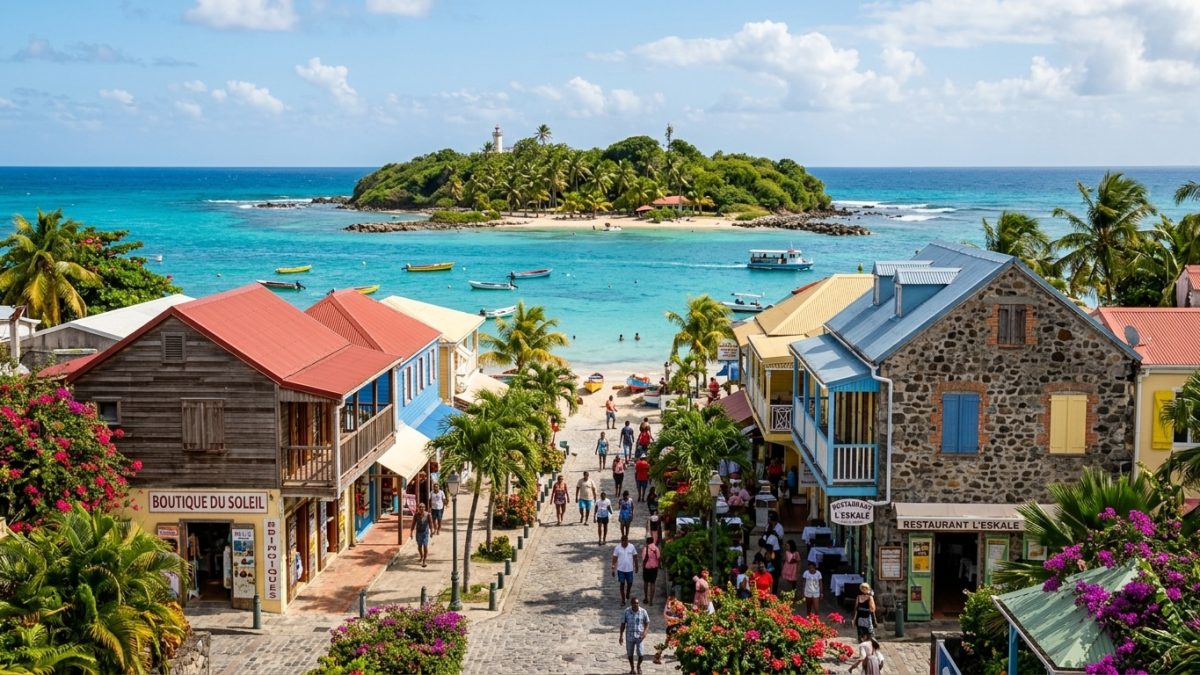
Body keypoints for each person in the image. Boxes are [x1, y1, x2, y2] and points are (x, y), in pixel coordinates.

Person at [619, 596, 650, 675]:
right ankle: (632, 668)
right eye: (634, 603)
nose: (636, 605)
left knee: (641, 653)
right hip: (629, 636)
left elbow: (647, 623)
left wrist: (645, 633)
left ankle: (638, 666)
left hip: (640, 636)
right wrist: (621, 636)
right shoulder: (626, 611)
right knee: (630, 653)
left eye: (637, 603)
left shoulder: (643, 611)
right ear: (631, 604)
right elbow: (623, 624)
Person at [654, 593, 686, 665]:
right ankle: (659, 654)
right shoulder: (674, 604)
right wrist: (677, 620)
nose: (669, 600)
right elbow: (681, 616)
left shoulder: (675, 604)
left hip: (672, 627)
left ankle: (660, 654)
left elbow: (668, 616)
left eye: (670, 598)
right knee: (675, 641)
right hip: (675, 627)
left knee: (675, 641)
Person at [612, 534, 639, 605]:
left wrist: (636, 566)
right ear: (621, 541)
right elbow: (614, 558)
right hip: (620, 569)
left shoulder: (631, 547)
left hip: (629, 569)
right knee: (622, 583)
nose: (624, 543)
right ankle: (623, 600)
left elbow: (635, 556)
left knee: (630, 583)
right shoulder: (617, 548)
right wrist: (613, 567)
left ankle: (628, 592)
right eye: (623, 541)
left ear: (627, 540)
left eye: (625, 541)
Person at [410, 503, 432, 567]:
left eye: (423, 507)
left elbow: (430, 524)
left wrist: (432, 532)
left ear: (425, 508)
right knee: (419, 546)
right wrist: (411, 533)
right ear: (418, 508)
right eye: (420, 507)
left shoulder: (428, 515)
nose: (421, 508)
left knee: (425, 546)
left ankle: (424, 560)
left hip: (425, 533)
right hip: (418, 533)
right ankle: (421, 556)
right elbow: (413, 524)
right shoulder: (416, 515)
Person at [642, 535, 660, 605]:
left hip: (646, 568)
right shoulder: (656, 548)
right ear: (653, 541)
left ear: (647, 542)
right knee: (653, 583)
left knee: (646, 582)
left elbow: (643, 559)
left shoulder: (645, 549)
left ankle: (646, 597)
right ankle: (651, 601)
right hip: (654, 568)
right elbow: (659, 558)